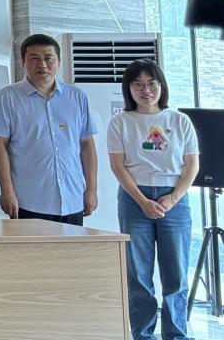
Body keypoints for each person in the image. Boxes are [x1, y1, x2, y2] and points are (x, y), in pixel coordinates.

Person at [108, 59, 199, 340]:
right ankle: (143, 334)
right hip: (134, 199)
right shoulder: (120, 122)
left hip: (174, 199)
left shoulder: (179, 120)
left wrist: (173, 198)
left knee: (176, 273)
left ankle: (176, 334)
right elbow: (118, 166)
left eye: (151, 83)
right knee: (138, 273)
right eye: (137, 84)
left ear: (161, 86)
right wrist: (142, 201)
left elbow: (192, 165)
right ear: (129, 88)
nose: (145, 90)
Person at [0, 33, 98, 226]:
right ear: (23, 61)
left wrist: (91, 189)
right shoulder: (6, 98)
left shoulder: (77, 97)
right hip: (28, 201)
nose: (42, 64)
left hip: (73, 198)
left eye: (49, 58)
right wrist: (6, 190)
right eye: (34, 58)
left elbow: (87, 145)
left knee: (73, 247)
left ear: (59, 62)